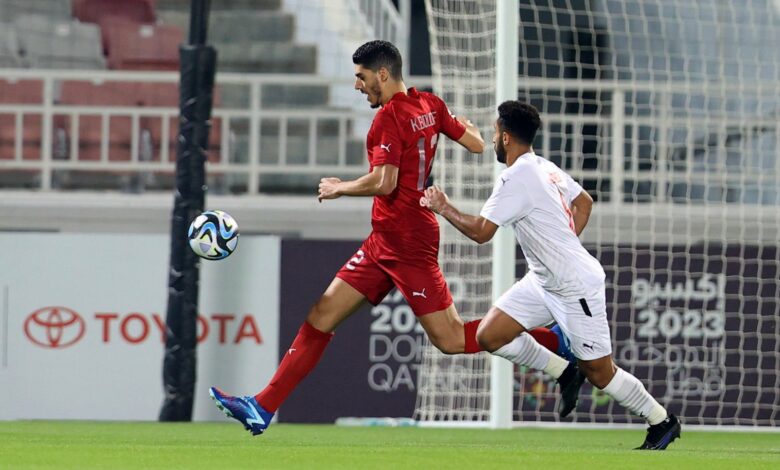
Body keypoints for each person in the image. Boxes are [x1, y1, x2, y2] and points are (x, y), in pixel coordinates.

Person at [208, 41, 582, 436]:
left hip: (407, 243)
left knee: (451, 339)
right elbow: (475, 143)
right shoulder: (430, 105)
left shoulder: (388, 118)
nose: (358, 85)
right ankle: (261, 408)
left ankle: (554, 341)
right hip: (384, 240)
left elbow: (385, 182)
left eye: (361, 77)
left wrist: (340, 187)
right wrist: (463, 126)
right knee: (321, 314)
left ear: (382, 75)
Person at [423, 100, 681, 450]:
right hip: (543, 281)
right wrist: (562, 245)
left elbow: (482, 232)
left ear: (506, 136)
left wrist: (443, 207)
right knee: (489, 335)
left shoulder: (516, 177)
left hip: (574, 285)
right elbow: (585, 202)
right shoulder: (544, 167)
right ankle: (564, 369)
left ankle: (662, 421)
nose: (494, 138)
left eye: (496, 132)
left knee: (601, 373)